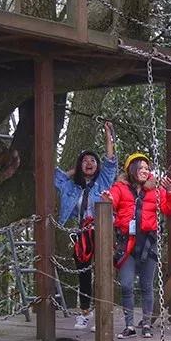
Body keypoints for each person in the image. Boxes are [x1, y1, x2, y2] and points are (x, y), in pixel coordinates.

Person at [103, 153, 171, 339]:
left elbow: (170, 210)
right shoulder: (120, 188)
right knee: (126, 285)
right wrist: (108, 198)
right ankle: (129, 325)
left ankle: (146, 323)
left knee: (147, 285)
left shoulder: (156, 190)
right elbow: (112, 200)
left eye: (147, 168)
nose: (145, 171)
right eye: (141, 168)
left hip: (148, 243)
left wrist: (170, 192)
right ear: (132, 170)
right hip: (127, 244)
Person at [54, 121, 117, 329]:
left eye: (93, 160)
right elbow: (56, 178)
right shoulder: (73, 187)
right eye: (85, 161)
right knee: (83, 272)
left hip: (102, 229)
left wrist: (108, 135)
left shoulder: (103, 181)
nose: (89, 163)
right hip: (82, 232)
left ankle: (102, 313)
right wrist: (74, 171)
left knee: (103, 271)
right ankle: (84, 312)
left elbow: (110, 161)